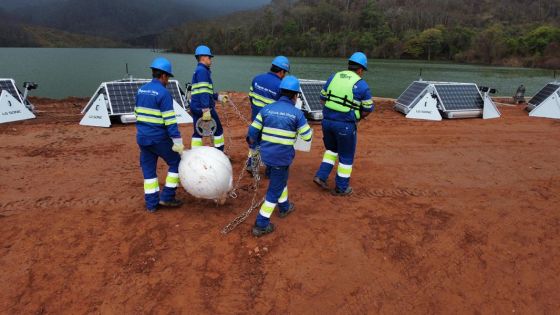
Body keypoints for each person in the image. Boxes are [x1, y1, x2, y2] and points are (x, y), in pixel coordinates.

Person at [247, 75, 313, 236]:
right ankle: (261, 223)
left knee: (280, 180)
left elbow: (252, 132)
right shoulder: (297, 114)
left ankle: (284, 207)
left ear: (281, 92)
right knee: (274, 190)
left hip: (266, 155)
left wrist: (253, 147)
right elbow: (307, 136)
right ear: (295, 95)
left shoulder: (267, 109)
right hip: (281, 158)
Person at [313, 52, 374, 196]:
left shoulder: (333, 77)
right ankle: (341, 188)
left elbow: (322, 98)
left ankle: (321, 176)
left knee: (331, 150)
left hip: (327, 122)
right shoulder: (361, 85)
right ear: (360, 69)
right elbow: (367, 109)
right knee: (346, 156)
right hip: (345, 125)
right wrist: (356, 117)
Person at [135, 57, 184, 212]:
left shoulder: (141, 90)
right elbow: (170, 121)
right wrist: (177, 142)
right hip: (158, 139)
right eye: (168, 77)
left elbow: (137, 113)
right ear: (163, 75)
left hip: (142, 138)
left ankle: (151, 205)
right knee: (176, 162)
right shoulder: (163, 93)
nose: (168, 80)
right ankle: (167, 197)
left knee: (149, 171)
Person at [246, 56, 290, 174]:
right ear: (281, 71)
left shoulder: (257, 79)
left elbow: (251, 97)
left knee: (255, 142)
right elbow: (281, 106)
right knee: (271, 144)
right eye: (284, 73)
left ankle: (252, 164)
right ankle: (269, 171)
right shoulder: (281, 86)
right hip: (270, 122)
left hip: (256, 118)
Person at [190, 45, 228, 151]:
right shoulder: (202, 71)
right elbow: (203, 92)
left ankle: (195, 154)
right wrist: (206, 110)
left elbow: (206, 91)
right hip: (204, 108)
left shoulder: (199, 70)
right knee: (218, 130)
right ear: (203, 57)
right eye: (209, 57)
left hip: (196, 107)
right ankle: (219, 153)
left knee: (198, 131)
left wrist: (218, 97)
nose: (211, 60)